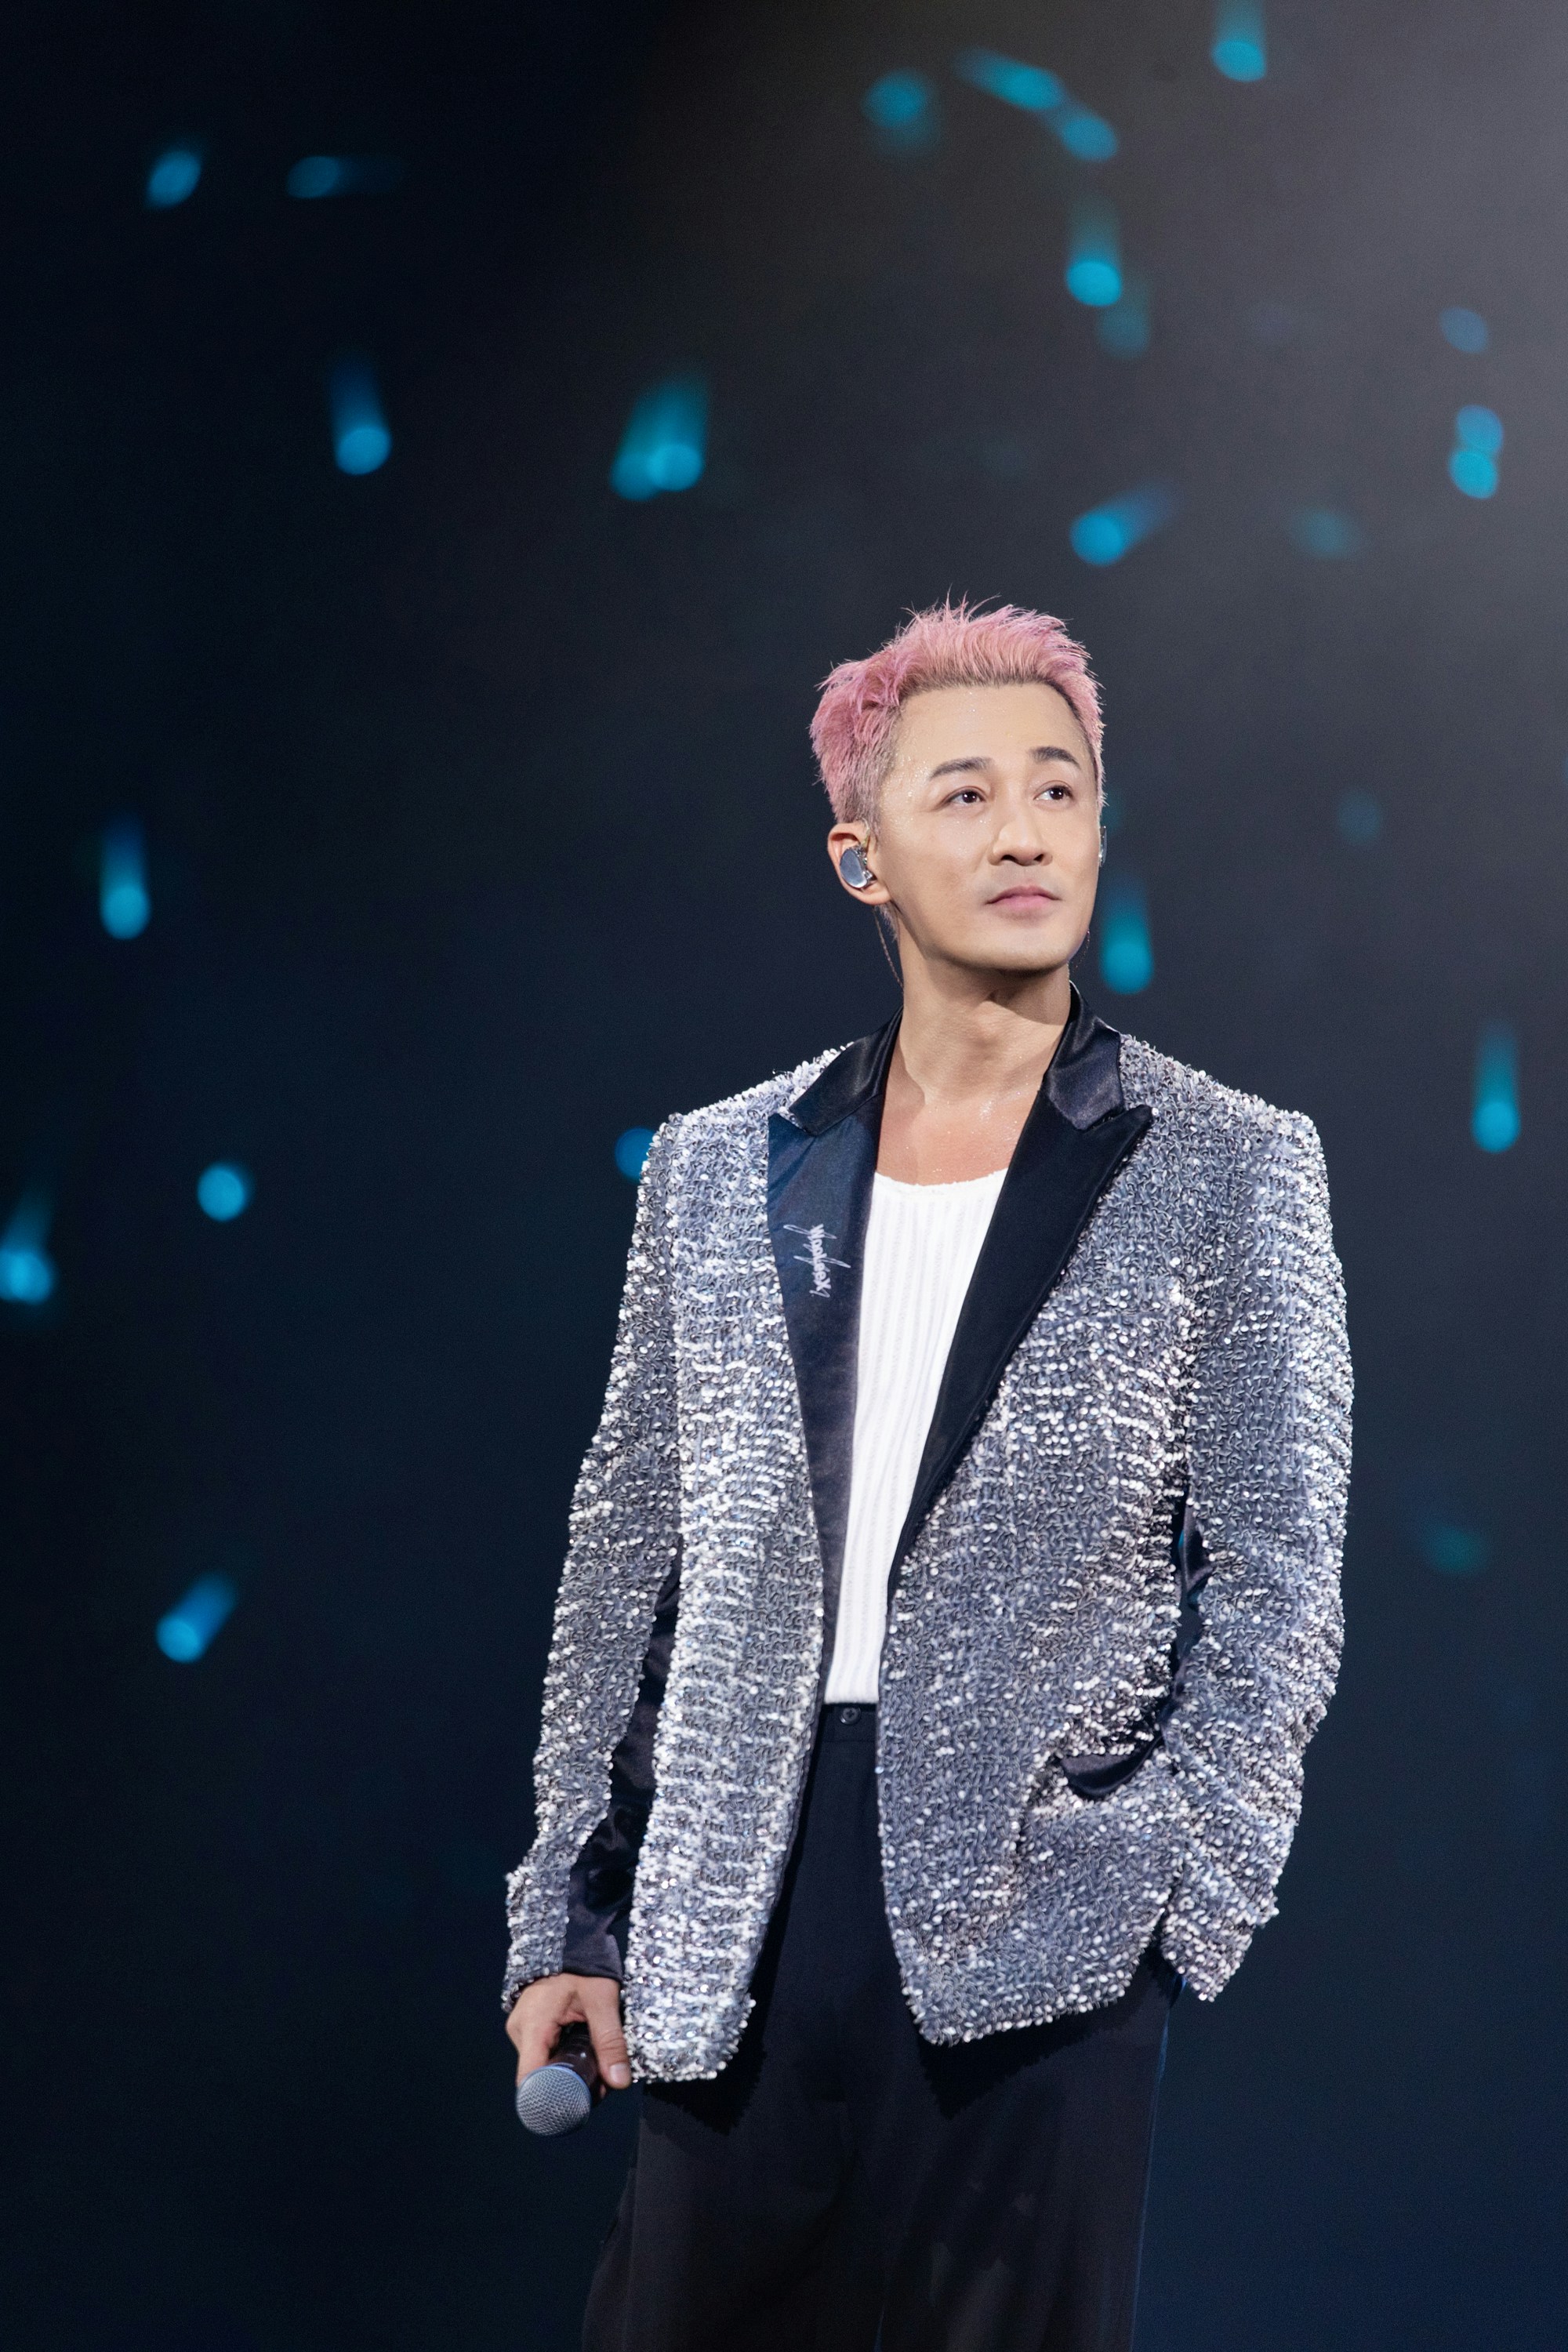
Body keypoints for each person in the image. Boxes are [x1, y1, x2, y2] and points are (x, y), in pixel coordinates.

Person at [504, 602, 1351, 2351]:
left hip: (1039, 1921)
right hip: (731, 1903)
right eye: (964, 793)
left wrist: (1173, 1887)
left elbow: (1279, 1570)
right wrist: (567, 1912)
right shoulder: (721, 1167)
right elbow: (628, 1560)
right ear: (861, 857)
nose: (1023, 830)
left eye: (1059, 788)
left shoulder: (1226, 1164)